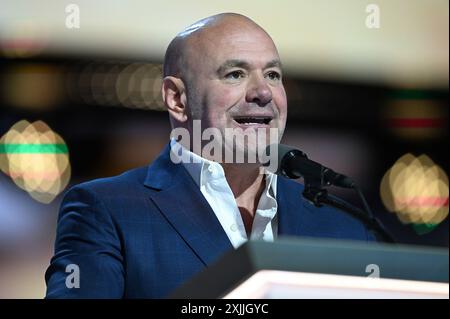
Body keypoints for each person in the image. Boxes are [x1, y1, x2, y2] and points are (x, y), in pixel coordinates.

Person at [45, 13, 375, 299]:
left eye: (273, 75)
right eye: (235, 74)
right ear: (177, 98)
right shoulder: (107, 210)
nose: (263, 92)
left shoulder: (343, 225)